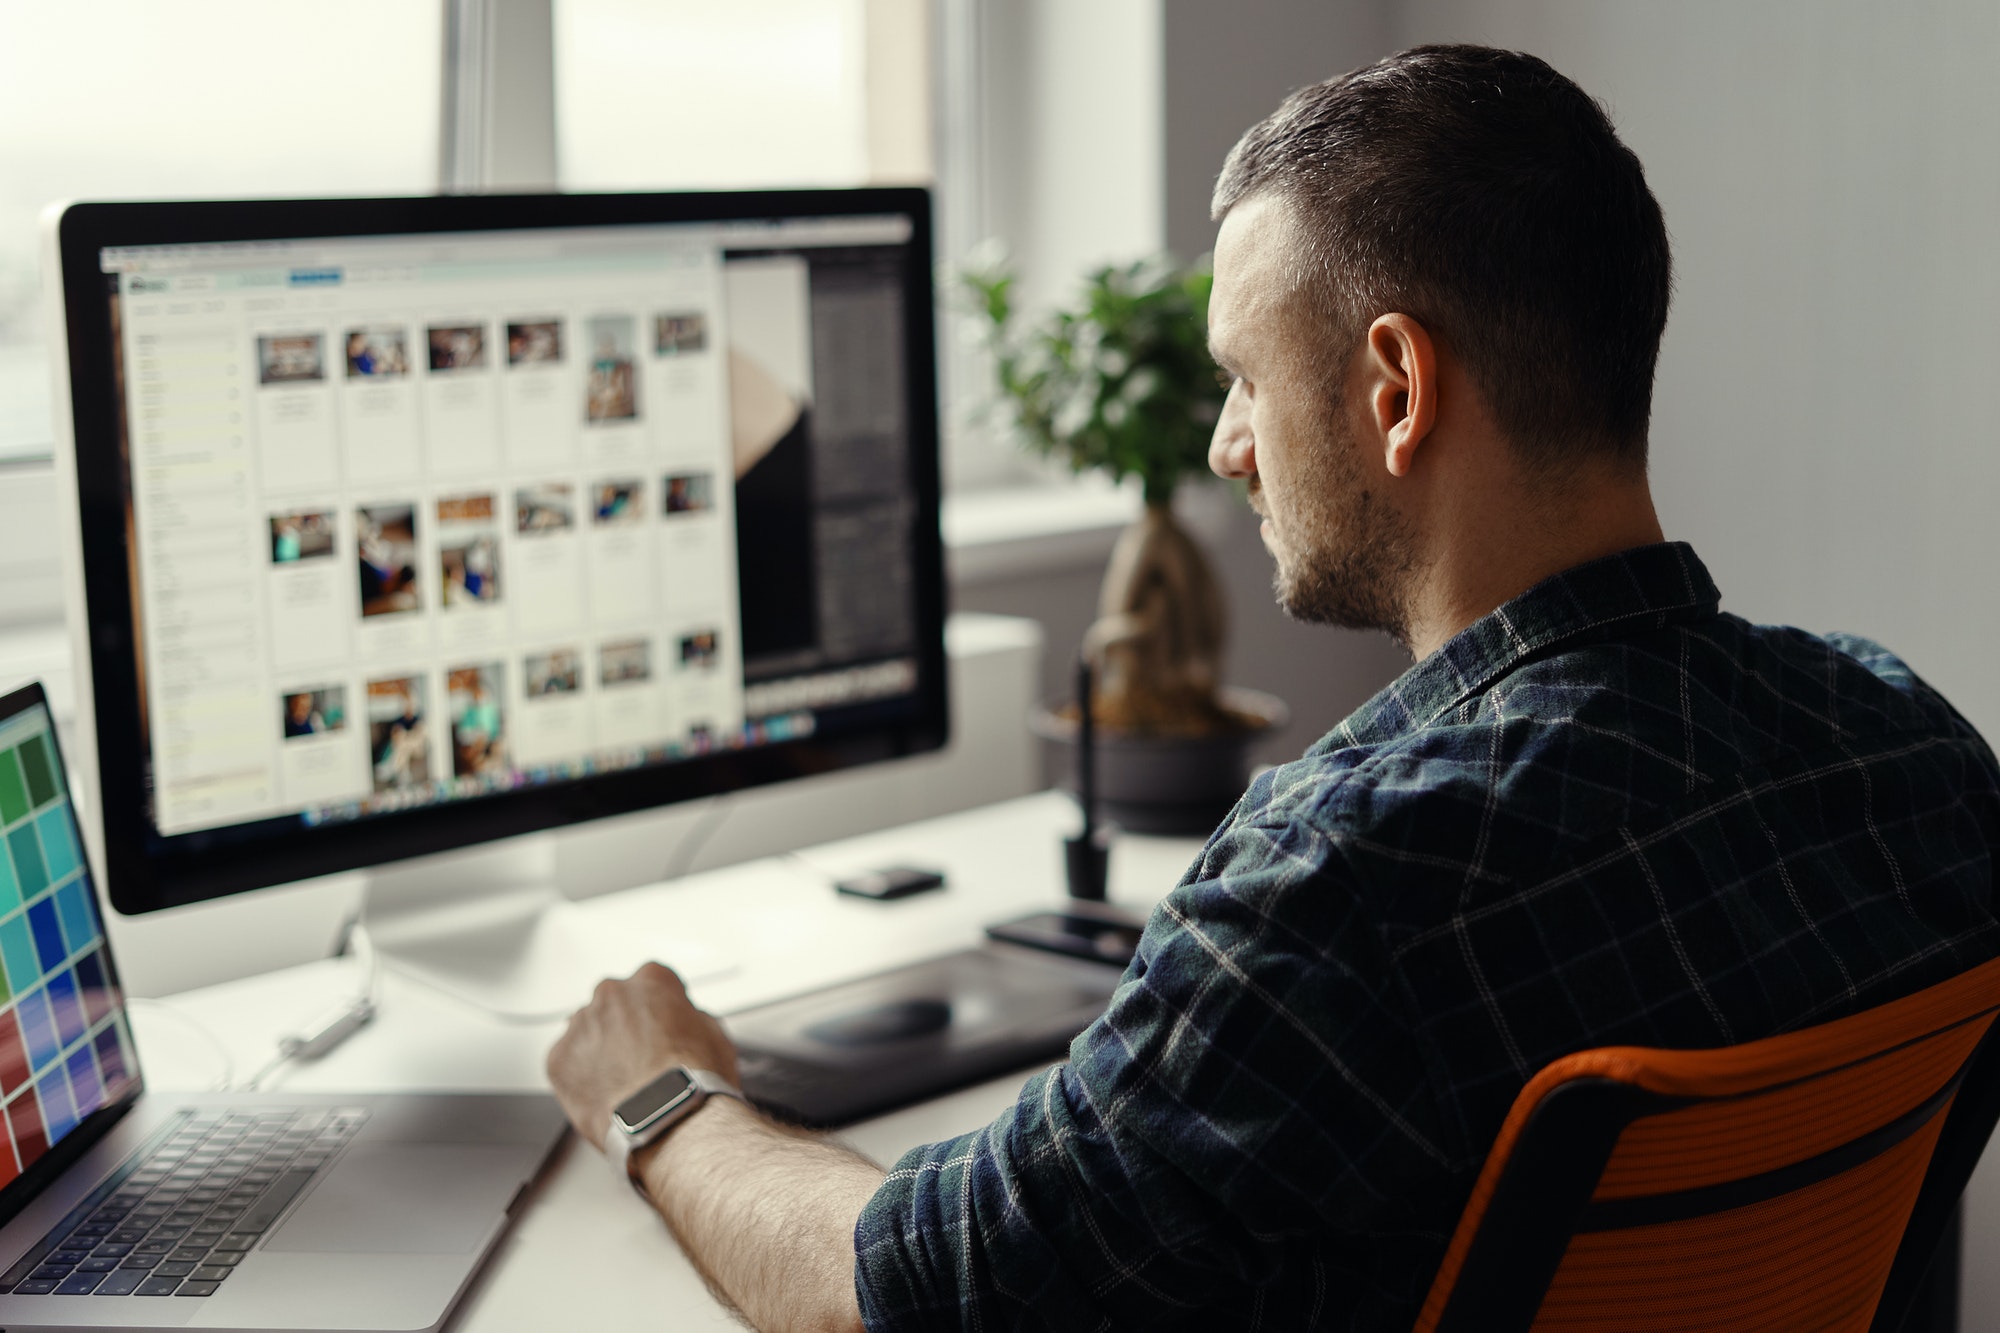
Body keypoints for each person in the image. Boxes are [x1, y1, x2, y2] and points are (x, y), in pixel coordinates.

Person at [545, 45, 2000, 1331]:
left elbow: (911, 1292)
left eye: (1247, 374)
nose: (1231, 443)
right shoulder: (1913, 754)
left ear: (1396, 389)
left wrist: (664, 1097)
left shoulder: (1345, 881)